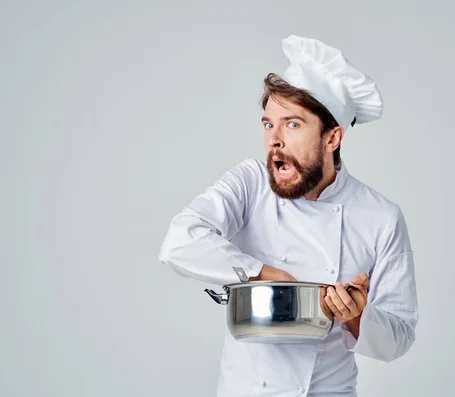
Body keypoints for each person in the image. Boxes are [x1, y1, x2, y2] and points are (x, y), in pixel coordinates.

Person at [158, 34, 419, 397]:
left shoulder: (380, 217)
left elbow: (400, 338)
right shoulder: (251, 183)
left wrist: (356, 316)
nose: (274, 140)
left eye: (292, 124)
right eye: (268, 124)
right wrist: (263, 275)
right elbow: (179, 242)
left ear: (332, 139)